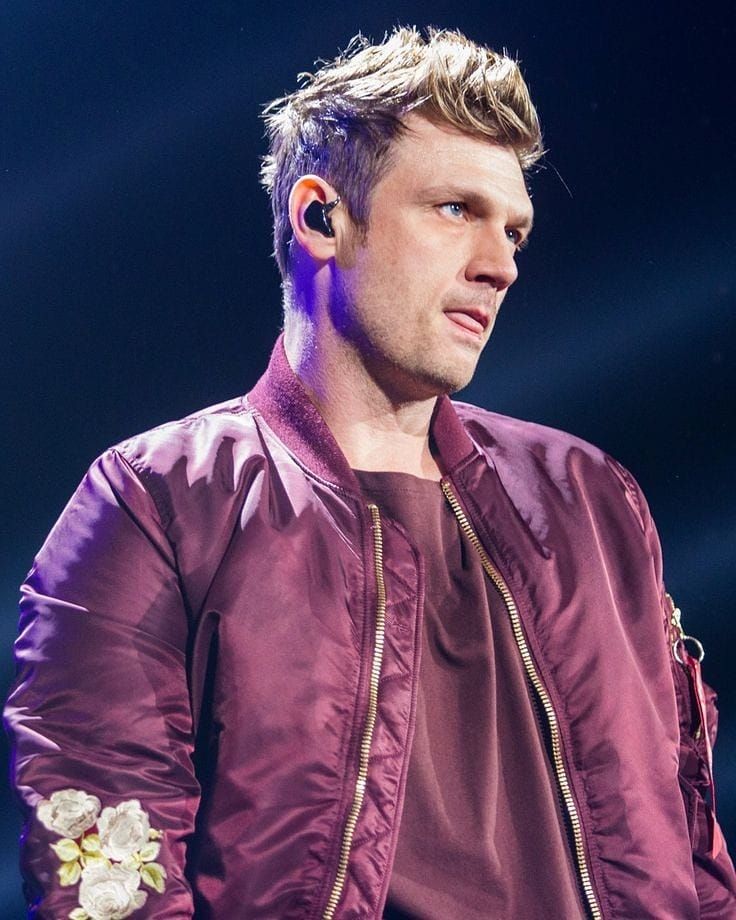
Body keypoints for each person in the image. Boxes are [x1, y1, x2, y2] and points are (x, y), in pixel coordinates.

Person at [5, 25, 736, 920]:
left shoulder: (594, 499)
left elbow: (694, 839)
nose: (502, 265)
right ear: (321, 216)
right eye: (455, 210)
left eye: (515, 229)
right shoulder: (156, 501)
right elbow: (104, 873)